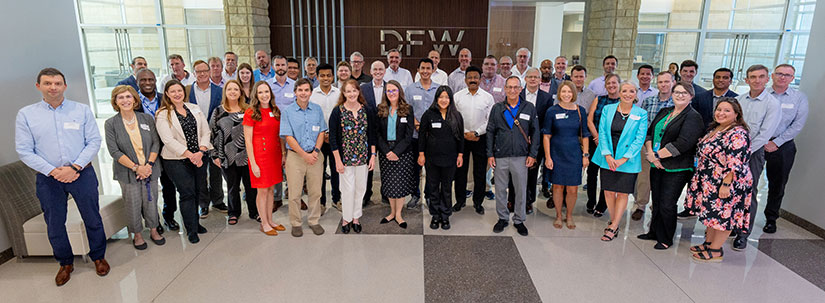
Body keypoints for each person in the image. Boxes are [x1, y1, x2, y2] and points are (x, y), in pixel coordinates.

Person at [15, 68, 109, 286]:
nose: (53, 87)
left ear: (65, 86)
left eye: (57, 83)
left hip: (81, 173)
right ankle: (65, 263)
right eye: (48, 83)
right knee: (55, 223)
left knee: (92, 218)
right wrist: (53, 171)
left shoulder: (81, 110)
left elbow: (94, 141)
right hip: (48, 178)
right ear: (38, 86)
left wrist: (74, 167)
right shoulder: (26, 115)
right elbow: (24, 150)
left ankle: (98, 257)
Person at [684, 98, 753, 262]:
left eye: (727, 110)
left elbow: (735, 163)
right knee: (712, 213)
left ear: (736, 114)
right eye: (719, 109)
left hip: (727, 181)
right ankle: (708, 243)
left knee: (724, 215)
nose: (721, 113)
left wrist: (726, 184)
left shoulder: (737, 134)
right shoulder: (717, 128)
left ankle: (716, 250)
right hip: (710, 179)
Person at [636, 82, 703, 249]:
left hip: (677, 168)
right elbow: (650, 133)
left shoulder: (693, 116)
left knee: (667, 203)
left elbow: (683, 143)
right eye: (677, 92)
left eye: (684, 93)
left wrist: (657, 155)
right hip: (656, 164)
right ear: (672, 94)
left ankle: (665, 238)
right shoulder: (665, 111)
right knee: (657, 201)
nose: (680, 95)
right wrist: (651, 154)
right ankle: (653, 232)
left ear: (691, 96)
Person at [104, 85, 165, 250]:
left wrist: (148, 165)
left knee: (151, 201)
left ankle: (154, 230)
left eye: (128, 96)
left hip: (150, 169)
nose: (125, 100)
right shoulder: (111, 123)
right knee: (133, 203)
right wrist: (137, 168)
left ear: (134, 99)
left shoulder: (146, 119)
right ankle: (137, 234)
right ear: (115, 101)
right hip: (127, 171)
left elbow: (156, 143)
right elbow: (114, 151)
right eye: (121, 97)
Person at [155, 80, 212, 244]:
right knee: (187, 193)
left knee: (198, 190)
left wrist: (200, 152)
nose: (177, 94)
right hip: (176, 160)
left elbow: (206, 132)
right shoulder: (163, 114)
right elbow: (168, 140)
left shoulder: (194, 108)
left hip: (199, 157)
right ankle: (191, 229)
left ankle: (196, 223)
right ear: (167, 94)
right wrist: (190, 155)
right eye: (172, 91)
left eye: (179, 90)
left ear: (183, 92)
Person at [731, 64, 781, 251]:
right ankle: (729, 225)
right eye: (753, 77)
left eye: (761, 77)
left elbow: (765, 134)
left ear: (767, 79)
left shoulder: (772, 104)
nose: (757, 80)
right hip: (733, 151)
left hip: (753, 153)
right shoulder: (738, 100)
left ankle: (743, 233)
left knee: (747, 192)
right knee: (730, 189)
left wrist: (744, 152)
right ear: (746, 80)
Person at [591, 81, 648, 241]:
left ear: (636, 94)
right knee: (608, 191)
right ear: (619, 92)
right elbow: (602, 132)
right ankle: (613, 220)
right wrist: (608, 155)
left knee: (622, 193)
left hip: (628, 160)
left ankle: (614, 225)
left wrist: (623, 159)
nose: (628, 94)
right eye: (624, 91)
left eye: (631, 91)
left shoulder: (641, 114)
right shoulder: (608, 109)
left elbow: (639, 139)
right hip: (607, 157)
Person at [487, 76, 540, 236]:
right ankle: (502, 218)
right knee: (500, 189)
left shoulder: (529, 107)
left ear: (520, 89)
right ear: (505, 89)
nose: (512, 90)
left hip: (521, 156)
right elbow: (490, 132)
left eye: (516, 87)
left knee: (520, 189)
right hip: (500, 155)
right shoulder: (497, 108)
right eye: (509, 87)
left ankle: (519, 220)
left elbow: (535, 132)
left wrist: (533, 154)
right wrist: (490, 154)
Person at [763, 64, 809, 234]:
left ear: (792, 78)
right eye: (780, 73)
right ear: (772, 75)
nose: (783, 77)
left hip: (783, 146)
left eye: (787, 75)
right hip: (758, 143)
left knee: (778, 184)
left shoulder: (799, 98)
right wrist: (762, 141)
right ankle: (743, 217)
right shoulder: (762, 94)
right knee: (748, 182)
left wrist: (777, 142)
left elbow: (798, 124)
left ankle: (771, 218)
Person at [329, 79, 378, 234]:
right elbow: (333, 138)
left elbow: (372, 135)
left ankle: (356, 217)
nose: (351, 94)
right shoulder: (337, 112)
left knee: (360, 188)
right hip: (345, 159)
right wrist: (337, 160)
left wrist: (372, 155)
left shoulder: (366, 110)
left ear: (358, 92)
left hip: (363, 158)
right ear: (343, 93)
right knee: (347, 190)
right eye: (348, 91)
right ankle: (346, 218)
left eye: (354, 90)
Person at [280, 78, 327, 237]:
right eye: (300, 90)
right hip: (295, 158)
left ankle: (314, 220)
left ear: (311, 92)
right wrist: (304, 155)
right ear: (295, 92)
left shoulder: (317, 110)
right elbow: (288, 137)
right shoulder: (287, 112)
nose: (303, 93)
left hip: (315, 156)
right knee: (294, 194)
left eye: (306, 90)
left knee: (315, 192)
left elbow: (321, 132)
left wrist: (315, 151)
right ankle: (296, 223)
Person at [542, 81, 590, 229]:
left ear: (574, 93)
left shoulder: (580, 111)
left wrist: (585, 155)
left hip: (574, 154)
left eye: (569, 91)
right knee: (557, 187)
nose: (566, 94)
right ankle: (558, 215)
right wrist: (548, 157)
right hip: (556, 153)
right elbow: (546, 136)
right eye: (563, 91)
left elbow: (585, 135)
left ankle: (569, 215)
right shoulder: (552, 111)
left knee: (572, 188)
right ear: (559, 93)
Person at [209, 80, 257, 225]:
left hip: (247, 155)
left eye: (236, 89)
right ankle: (233, 212)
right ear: (225, 92)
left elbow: (256, 132)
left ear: (240, 92)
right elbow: (212, 134)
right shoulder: (218, 111)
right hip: (227, 156)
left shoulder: (248, 110)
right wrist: (214, 155)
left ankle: (254, 211)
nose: (233, 92)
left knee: (251, 186)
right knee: (232, 187)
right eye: (229, 89)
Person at [134, 68, 177, 232]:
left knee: (169, 185)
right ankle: (153, 221)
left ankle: (169, 216)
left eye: (150, 80)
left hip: (166, 148)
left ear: (155, 81)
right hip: (144, 151)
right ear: (137, 82)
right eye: (143, 80)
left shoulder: (165, 99)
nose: (147, 83)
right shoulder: (133, 102)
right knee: (148, 189)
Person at [243, 81, 287, 236]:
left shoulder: (275, 110)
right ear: (256, 95)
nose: (264, 95)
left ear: (271, 93)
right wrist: (253, 163)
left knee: (271, 189)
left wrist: (283, 153)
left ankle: (270, 220)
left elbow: (280, 135)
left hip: (274, 155)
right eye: (260, 92)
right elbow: (248, 141)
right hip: (259, 157)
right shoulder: (251, 113)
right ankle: (264, 223)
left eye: (266, 92)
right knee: (262, 190)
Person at [631, 71, 675, 221]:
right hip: (647, 144)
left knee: (662, 179)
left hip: (667, 148)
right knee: (644, 177)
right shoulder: (648, 101)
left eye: (667, 82)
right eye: (661, 82)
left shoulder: (676, 103)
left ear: (673, 83)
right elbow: (642, 124)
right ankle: (640, 205)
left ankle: (656, 206)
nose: (663, 85)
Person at [419, 85, 464, 230]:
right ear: (436, 98)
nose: (444, 100)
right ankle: (435, 215)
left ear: (450, 99)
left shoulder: (456, 116)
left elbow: (460, 138)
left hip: (450, 158)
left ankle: (445, 215)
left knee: (446, 187)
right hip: (432, 158)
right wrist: (421, 154)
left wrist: (460, 155)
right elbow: (421, 136)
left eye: (446, 97)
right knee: (432, 187)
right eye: (441, 97)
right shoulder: (428, 114)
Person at [508, 68, 552, 214]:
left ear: (540, 80)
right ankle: (512, 199)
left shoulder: (546, 98)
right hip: (517, 140)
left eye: (536, 77)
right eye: (530, 77)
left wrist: (536, 137)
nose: (533, 79)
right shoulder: (517, 94)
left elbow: (547, 122)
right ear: (525, 79)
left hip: (536, 142)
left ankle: (528, 201)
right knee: (514, 171)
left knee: (532, 173)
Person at [187, 60, 227, 218]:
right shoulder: (187, 91)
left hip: (215, 136)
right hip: (195, 137)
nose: (202, 74)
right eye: (198, 71)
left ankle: (218, 200)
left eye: (205, 70)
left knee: (216, 169)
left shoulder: (219, 91)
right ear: (194, 73)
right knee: (200, 171)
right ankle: (203, 204)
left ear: (210, 72)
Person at [454, 66, 494, 215]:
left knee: (480, 172)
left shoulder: (487, 97)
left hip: (480, 138)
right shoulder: (457, 97)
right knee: (460, 171)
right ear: (465, 80)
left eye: (475, 77)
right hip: (461, 138)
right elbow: (454, 118)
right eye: (469, 77)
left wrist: (476, 132)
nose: (472, 80)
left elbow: (489, 120)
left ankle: (478, 202)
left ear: (480, 79)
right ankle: (460, 201)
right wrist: (465, 133)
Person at [377, 80, 417, 228]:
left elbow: (409, 135)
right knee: (389, 184)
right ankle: (392, 213)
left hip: (403, 152)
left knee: (400, 184)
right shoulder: (380, 109)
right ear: (385, 93)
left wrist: (396, 152)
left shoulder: (407, 109)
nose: (391, 93)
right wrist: (387, 151)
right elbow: (377, 133)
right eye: (388, 91)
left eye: (394, 90)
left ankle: (398, 214)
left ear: (399, 91)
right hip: (385, 152)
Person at [406, 58, 441, 209]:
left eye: (428, 68)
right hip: (415, 135)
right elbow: (407, 109)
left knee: (431, 168)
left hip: (432, 136)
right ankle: (415, 194)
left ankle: (429, 195)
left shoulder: (438, 89)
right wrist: (415, 123)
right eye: (423, 68)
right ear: (418, 70)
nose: (425, 71)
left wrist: (428, 127)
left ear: (433, 70)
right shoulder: (410, 89)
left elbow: (441, 110)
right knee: (415, 168)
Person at [585, 73, 621, 217]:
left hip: (613, 144)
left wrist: (606, 140)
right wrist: (597, 137)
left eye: (614, 83)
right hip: (596, 141)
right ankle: (591, 201)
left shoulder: (623, 102)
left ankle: (602, 204)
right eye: (608, 83)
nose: (611, 85)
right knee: (592, 173)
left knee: (607, 174)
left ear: (619, 84)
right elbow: (590, 120)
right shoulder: (599, 99)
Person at [310, 64, 342, 210]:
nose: (325, 78)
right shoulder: (312, 95)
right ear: (317, 77)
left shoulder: (339, 93)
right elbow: (312, 118)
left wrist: (332, 134)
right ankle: (321, 202)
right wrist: (323, 134)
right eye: (322, 76)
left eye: (328, 75)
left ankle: (337, 199)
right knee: (320, 172)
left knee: (336, 170)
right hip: (319, 139)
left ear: (333, 77)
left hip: (336, 138)